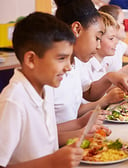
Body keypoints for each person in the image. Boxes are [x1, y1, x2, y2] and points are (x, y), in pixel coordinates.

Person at [0, 12, 83, 167]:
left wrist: (79, 126)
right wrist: (52, 162)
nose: (68, 67)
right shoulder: (13, 101)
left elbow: (44, 140)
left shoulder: (46, 88)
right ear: (31, 59)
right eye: (61, 58)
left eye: (69, 58)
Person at [52, 0, 128, 124]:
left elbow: (88, 93)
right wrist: (81, 125)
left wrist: (110, 77)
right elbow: (45, 133)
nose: (97, 46)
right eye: (97, 37)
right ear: (77, 29)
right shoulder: (51, 73)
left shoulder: (75, 62)